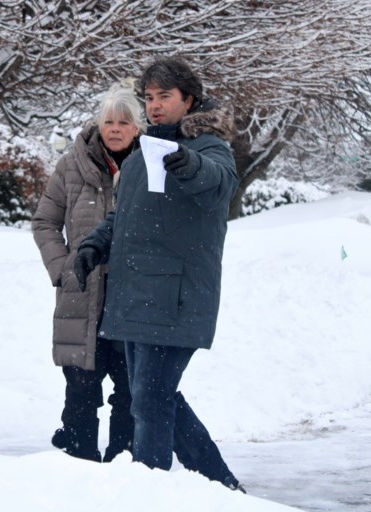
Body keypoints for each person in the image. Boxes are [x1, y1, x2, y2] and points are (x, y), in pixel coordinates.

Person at [74, 57, 245, 492]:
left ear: (188, 99)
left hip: (174, 298)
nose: (154, 106)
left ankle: (151, 493)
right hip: (135, 297)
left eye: (164, 97)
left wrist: (187, 163)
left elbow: (220, 181)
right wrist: (94, 244)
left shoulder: (209, 148)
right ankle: (222, 488)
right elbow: (124, 218)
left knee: (150, 401)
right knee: (153, 398)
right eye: (149, 97)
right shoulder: (142, 155)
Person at [31, 83, 144, 462]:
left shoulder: (150, 167)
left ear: (137, 128)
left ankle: (123, 465)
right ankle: (77, 461)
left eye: (124, 123)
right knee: (80, 386)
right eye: (109, 121)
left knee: (129, 389)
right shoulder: (71, 166)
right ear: (99, 124)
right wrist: (63, 269)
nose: (115, 129)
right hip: (81, 292)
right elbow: (45, 222)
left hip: (131, 296)